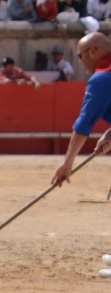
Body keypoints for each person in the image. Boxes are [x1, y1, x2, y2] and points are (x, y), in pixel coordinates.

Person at [52, 33, 111, 191]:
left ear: (92, 52)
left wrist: (67, 163)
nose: (80, 61)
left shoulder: (103, 78)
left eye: (80, 55)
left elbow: (85, 122)